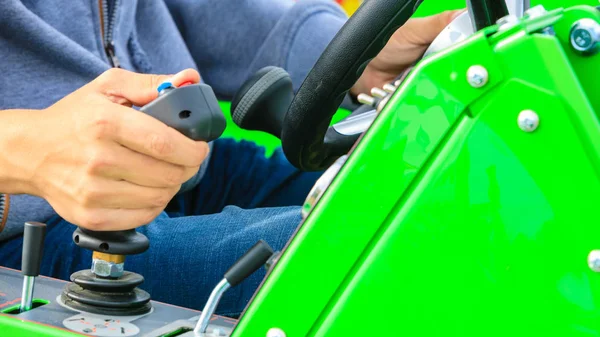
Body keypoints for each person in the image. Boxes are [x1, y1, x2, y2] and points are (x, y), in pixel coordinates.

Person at [0, 0, 463, 316]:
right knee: (392, 246)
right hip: (37, 223)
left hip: (189, 163)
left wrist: (355, 55)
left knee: (450, 194)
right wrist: (26, 149)